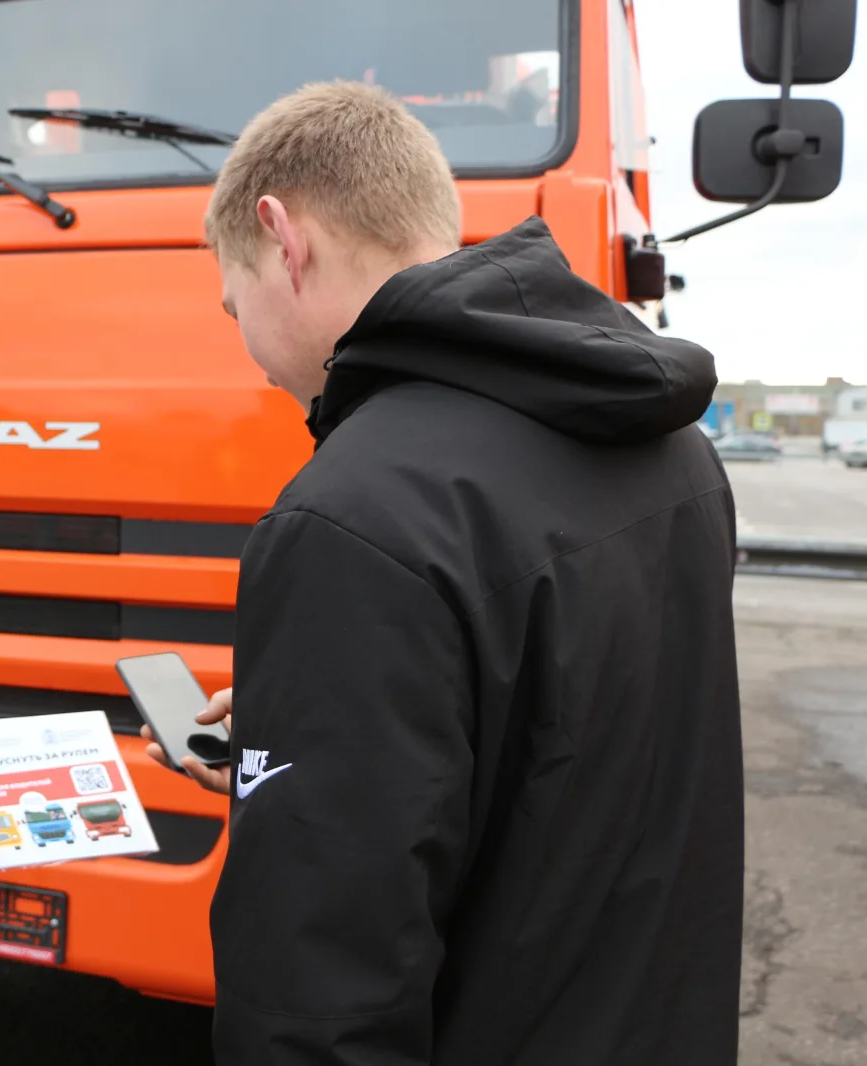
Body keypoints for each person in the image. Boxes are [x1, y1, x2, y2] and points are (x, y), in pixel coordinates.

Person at [148, 82, 743, 1065]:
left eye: (233, 297)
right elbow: (574, 748)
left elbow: (318, 989)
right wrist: (337, 735)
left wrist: (331, 758)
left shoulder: (353, 514)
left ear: (281, 238)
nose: (246, 345)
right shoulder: (676, 450)